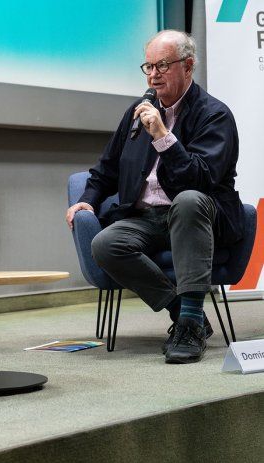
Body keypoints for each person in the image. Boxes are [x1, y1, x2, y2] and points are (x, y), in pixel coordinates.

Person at [65, 30, 242, 364]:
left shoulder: (214, 115)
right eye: (148, 66)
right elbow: (106, 167)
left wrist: (163, 136)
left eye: (162, 65)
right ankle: (187, 315)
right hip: (145, 217)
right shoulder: (137, 111)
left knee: (188, 199)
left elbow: (200, 179)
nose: (153, 74)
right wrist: (87, 199)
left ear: (188, 67)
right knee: (105, 244)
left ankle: (188, 328)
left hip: (198, 217)